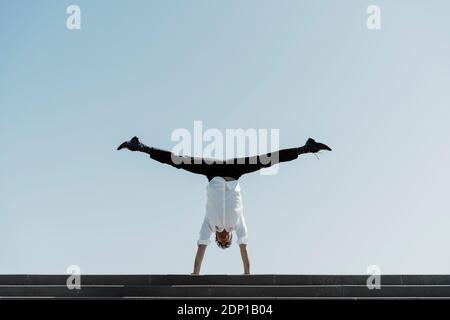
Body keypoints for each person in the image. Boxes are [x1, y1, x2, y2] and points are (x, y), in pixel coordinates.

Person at [117, 136, 332, 275]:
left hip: (212, 172)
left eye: (220, 241)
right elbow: (245, 248)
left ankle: (139, 146)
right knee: (267, 160)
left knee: (178, 161)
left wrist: (195, 273)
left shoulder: (208, 225)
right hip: (234, 171)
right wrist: (248, 274)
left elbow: (201, 247)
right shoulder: (238, 224)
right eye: (224, 240)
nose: (222, 238)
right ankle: (306, 148)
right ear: (228, 238)